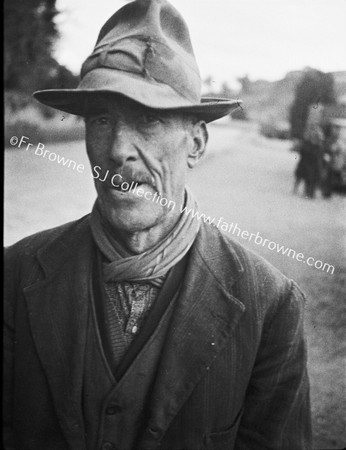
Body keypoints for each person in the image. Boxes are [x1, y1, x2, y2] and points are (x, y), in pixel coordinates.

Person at [3, 1, 312, 449]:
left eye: (148, 118)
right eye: (102, 119)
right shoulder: (15, 275)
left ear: (196, 143)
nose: (117, 150)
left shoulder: (271, 307)